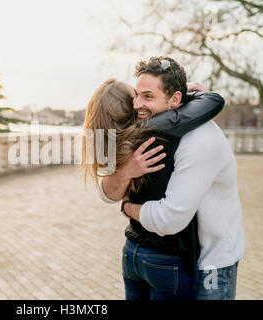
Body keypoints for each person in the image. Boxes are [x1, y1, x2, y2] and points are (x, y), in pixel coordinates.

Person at [100, 56, 245, 300]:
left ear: (175, 100)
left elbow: (169, 219)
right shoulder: (155, 133)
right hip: (179, 258)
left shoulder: (199, 139)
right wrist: (125, 172)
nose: (136, 104)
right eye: (136, 94)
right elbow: (105, 191)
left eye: (147, 96)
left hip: (212, 262)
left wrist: (128, 207)